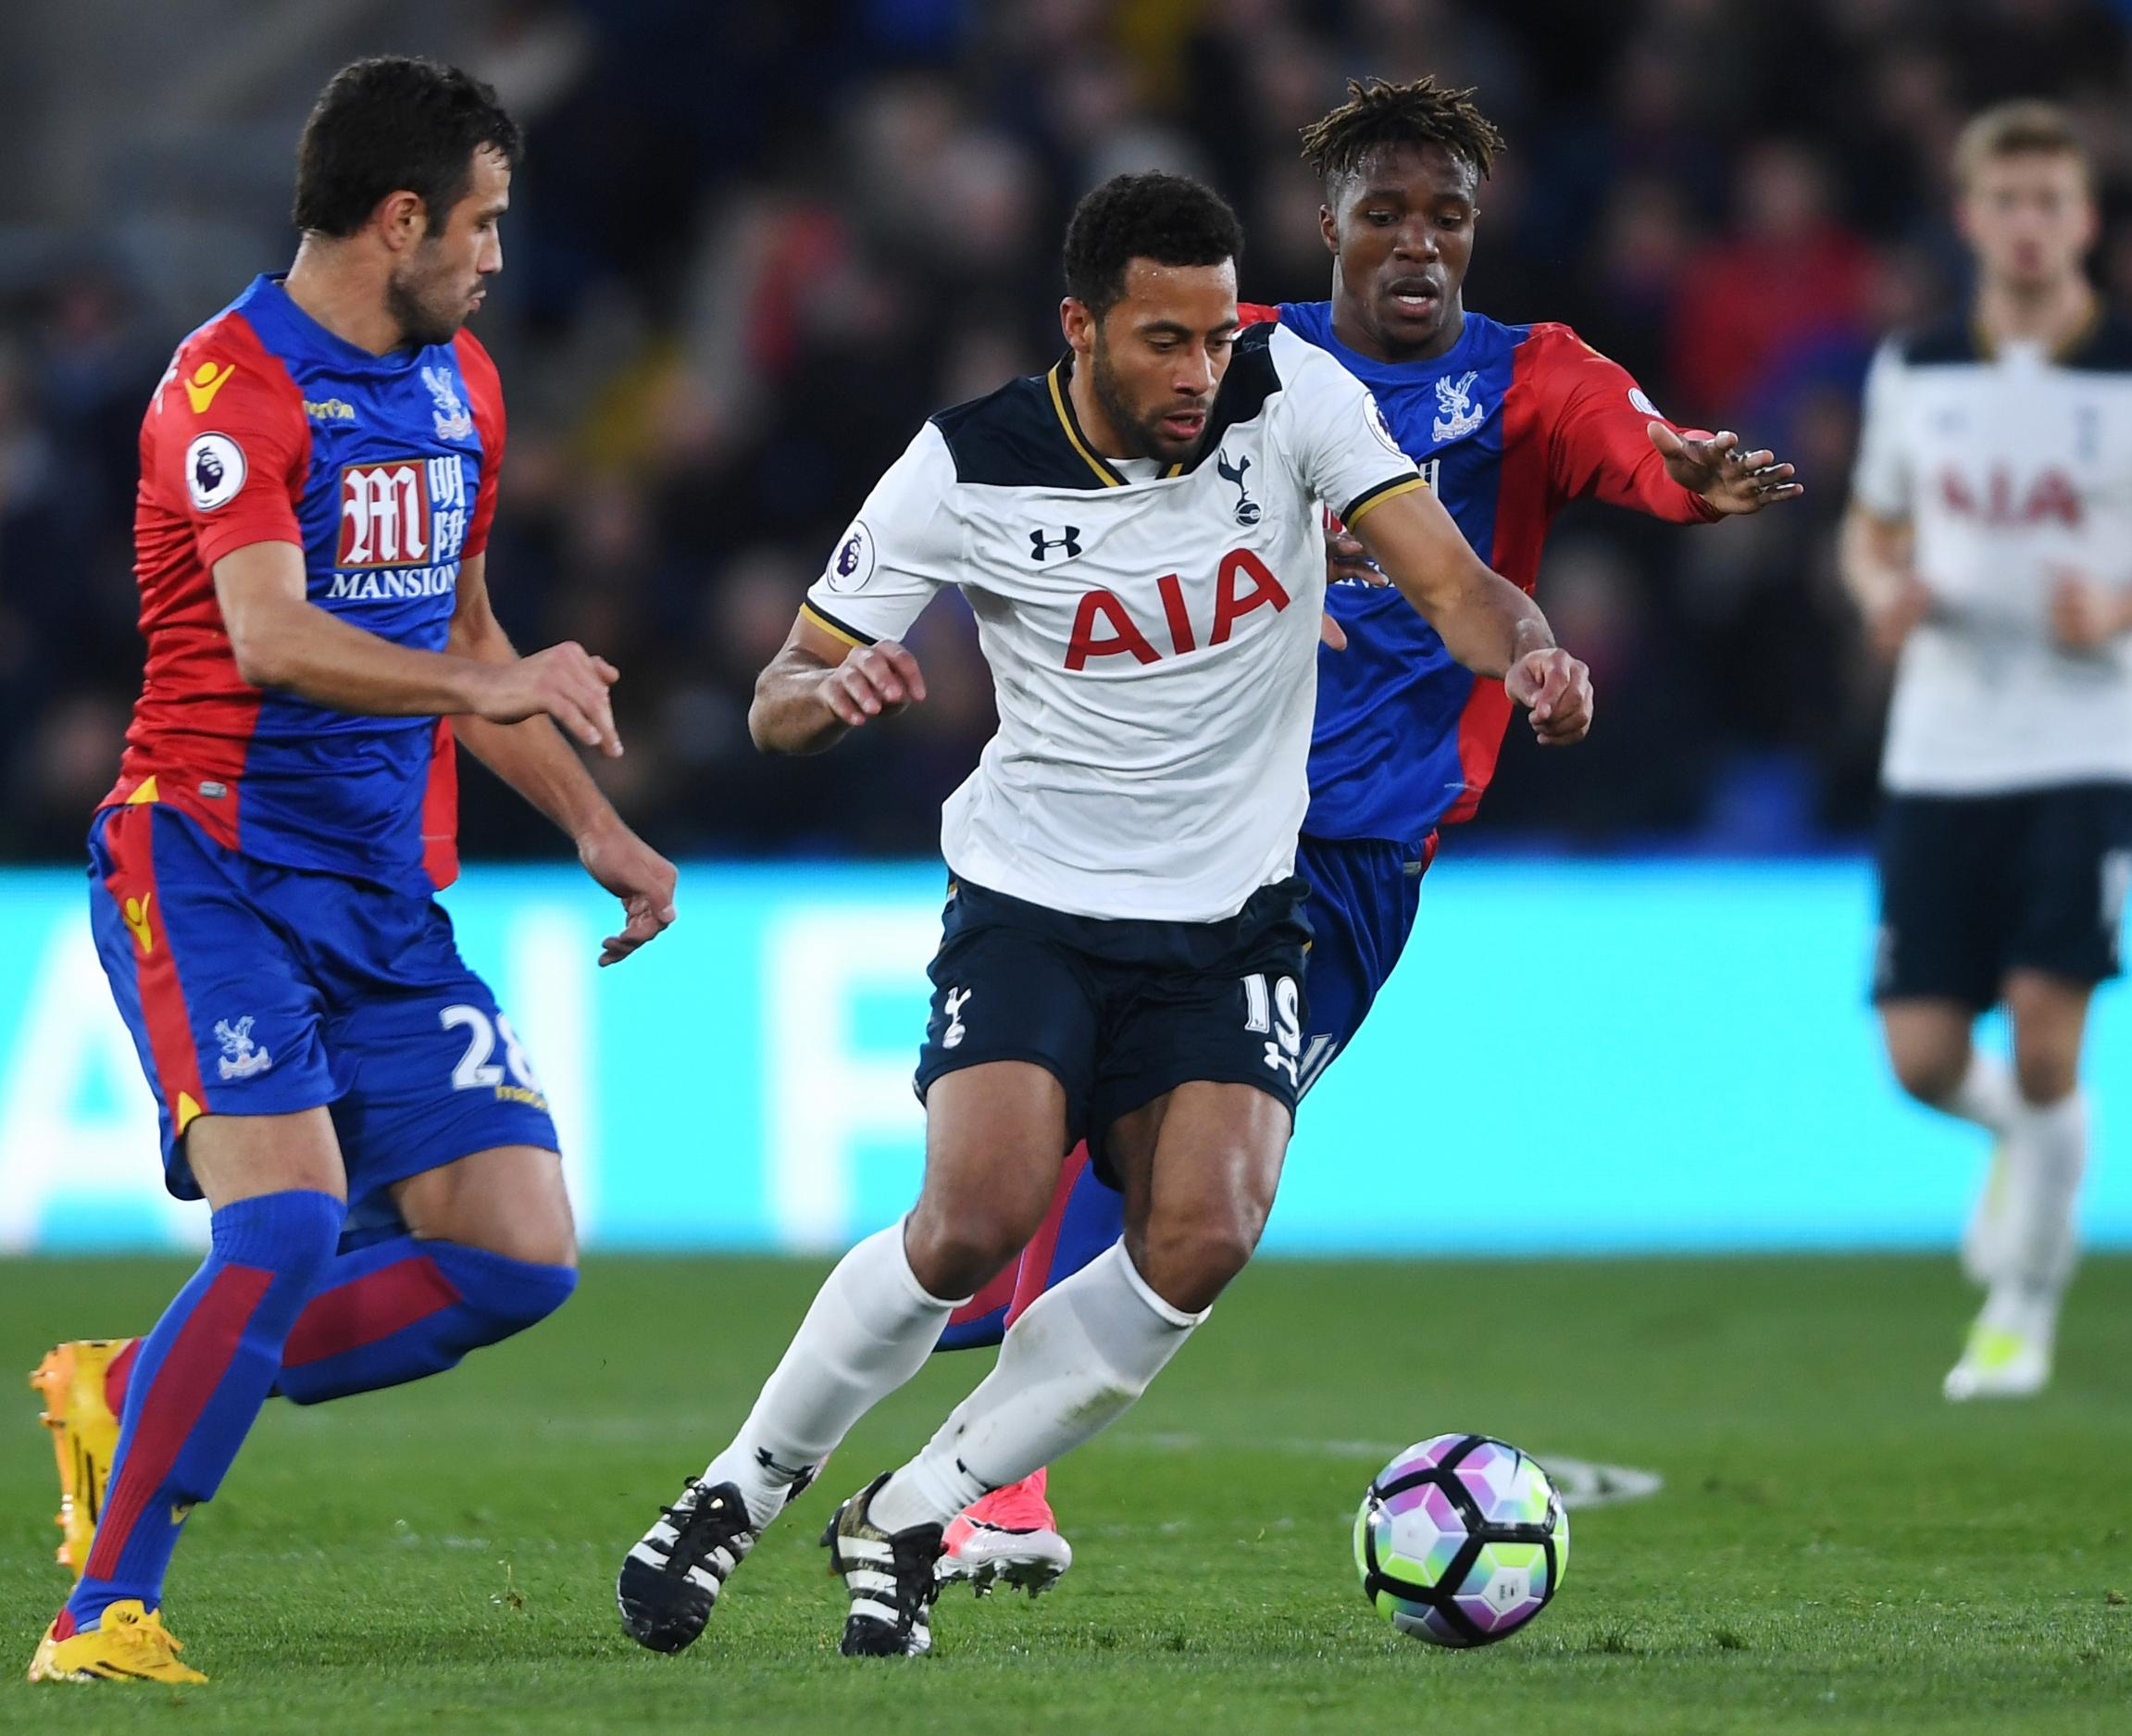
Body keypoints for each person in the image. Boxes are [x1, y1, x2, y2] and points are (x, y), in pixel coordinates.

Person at [616, 169, 1593, 1661]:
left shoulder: (1295, 395)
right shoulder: (965, 466)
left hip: (1236, 913)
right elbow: (775, 701)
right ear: (1080, 327)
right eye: (1164, 341)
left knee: (1204, 1233)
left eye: (1214, 334)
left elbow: (1456, 582)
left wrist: (1524, 652)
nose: (1203, 371)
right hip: (1034, 905)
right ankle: (738, 1489)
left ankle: (920, 1509)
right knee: (972, 1224)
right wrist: (839, 696)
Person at [932, 76, 1803, 1596]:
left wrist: (1686, 477)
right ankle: (990, 1480)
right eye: (1385, 214)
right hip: (1174, 808)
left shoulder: (1529, 375)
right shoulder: (1239, 356)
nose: (1416, 246)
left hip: (1347, 863)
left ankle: (979, 1404)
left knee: (1152, 1174)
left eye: (1445, 219)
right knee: (1079, 1142)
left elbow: (1636, 444)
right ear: (1327, 224)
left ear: (1476, 234)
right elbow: (1084, 471)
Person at [26, 56, 677, 1686]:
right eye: (484, 224)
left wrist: (594, 827)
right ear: (402, 220)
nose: (498, 258)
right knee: (289, 1225)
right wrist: (489, 691)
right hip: (210, 860)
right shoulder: (226, 390)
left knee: (516, 1256)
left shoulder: (459, 384)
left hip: (381, 896)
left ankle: (134, 1387)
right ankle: (102, 1617)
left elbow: (467, 641)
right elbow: (269, 639)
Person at [1841, 101, 2132, 1402]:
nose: (2028, 226)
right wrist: (1881, 595)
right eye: (2005, 202)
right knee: (1920, 1060)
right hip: (1943, 746)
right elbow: (1870, 528)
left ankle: (2020, 1308)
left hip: (2092, 743)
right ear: (1971, 220)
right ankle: (2035, 1155)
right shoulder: (1915, 370)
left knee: (2042, 1033)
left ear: (2084, 220)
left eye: (2052, 203)